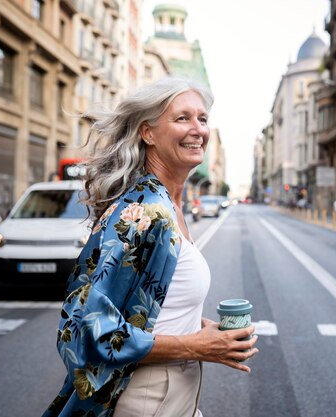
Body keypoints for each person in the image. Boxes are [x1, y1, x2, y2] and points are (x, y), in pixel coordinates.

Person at [43, 77, 258, 417]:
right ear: (148, 133)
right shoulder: (143, 211)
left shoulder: (168, 205)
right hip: (150, 398)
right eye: (182, 118)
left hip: (175, 394)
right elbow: (91, 327)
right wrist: (194, 345)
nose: (197, 129)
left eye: (202, 119)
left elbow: (149, 305)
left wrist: (202, 331)